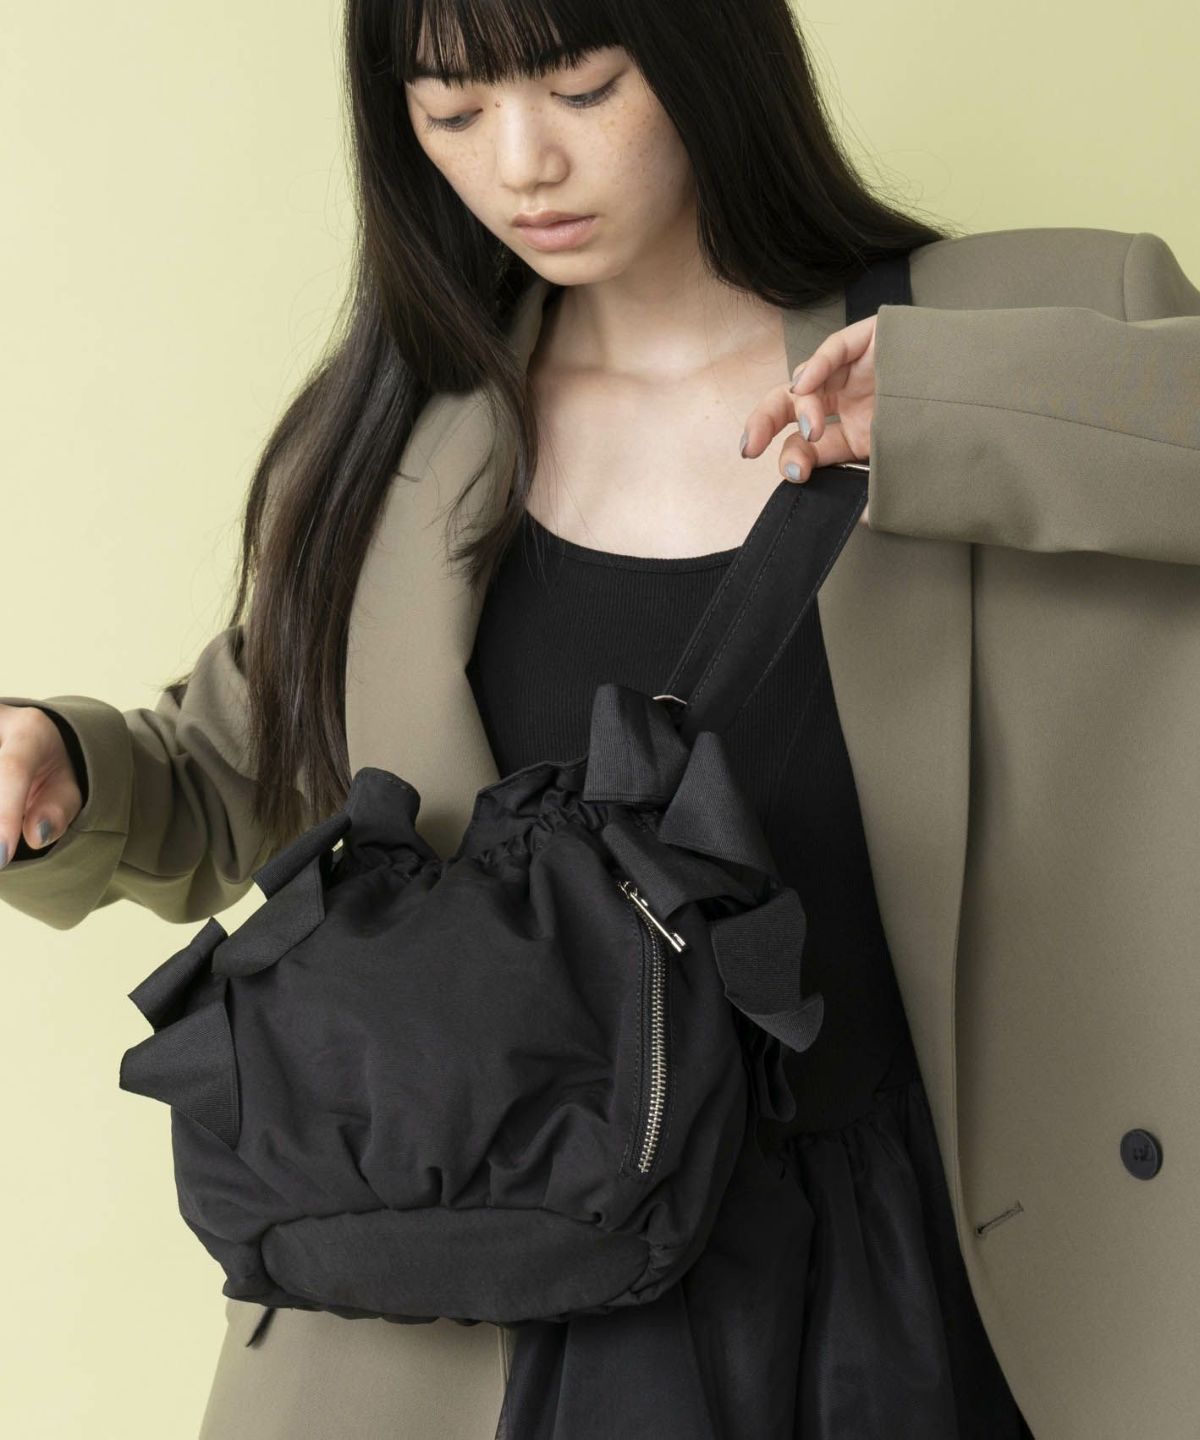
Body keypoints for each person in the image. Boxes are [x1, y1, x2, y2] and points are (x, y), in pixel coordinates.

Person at [2, 2, 1197, 1437]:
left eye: (581, 88)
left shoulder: (1038, 320)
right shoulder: (387, 440)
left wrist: (959, 411)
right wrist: (59, 767)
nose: (522, 165)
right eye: (452, 112)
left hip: (952, 1280)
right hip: (516, 1313)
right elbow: (229, 778)